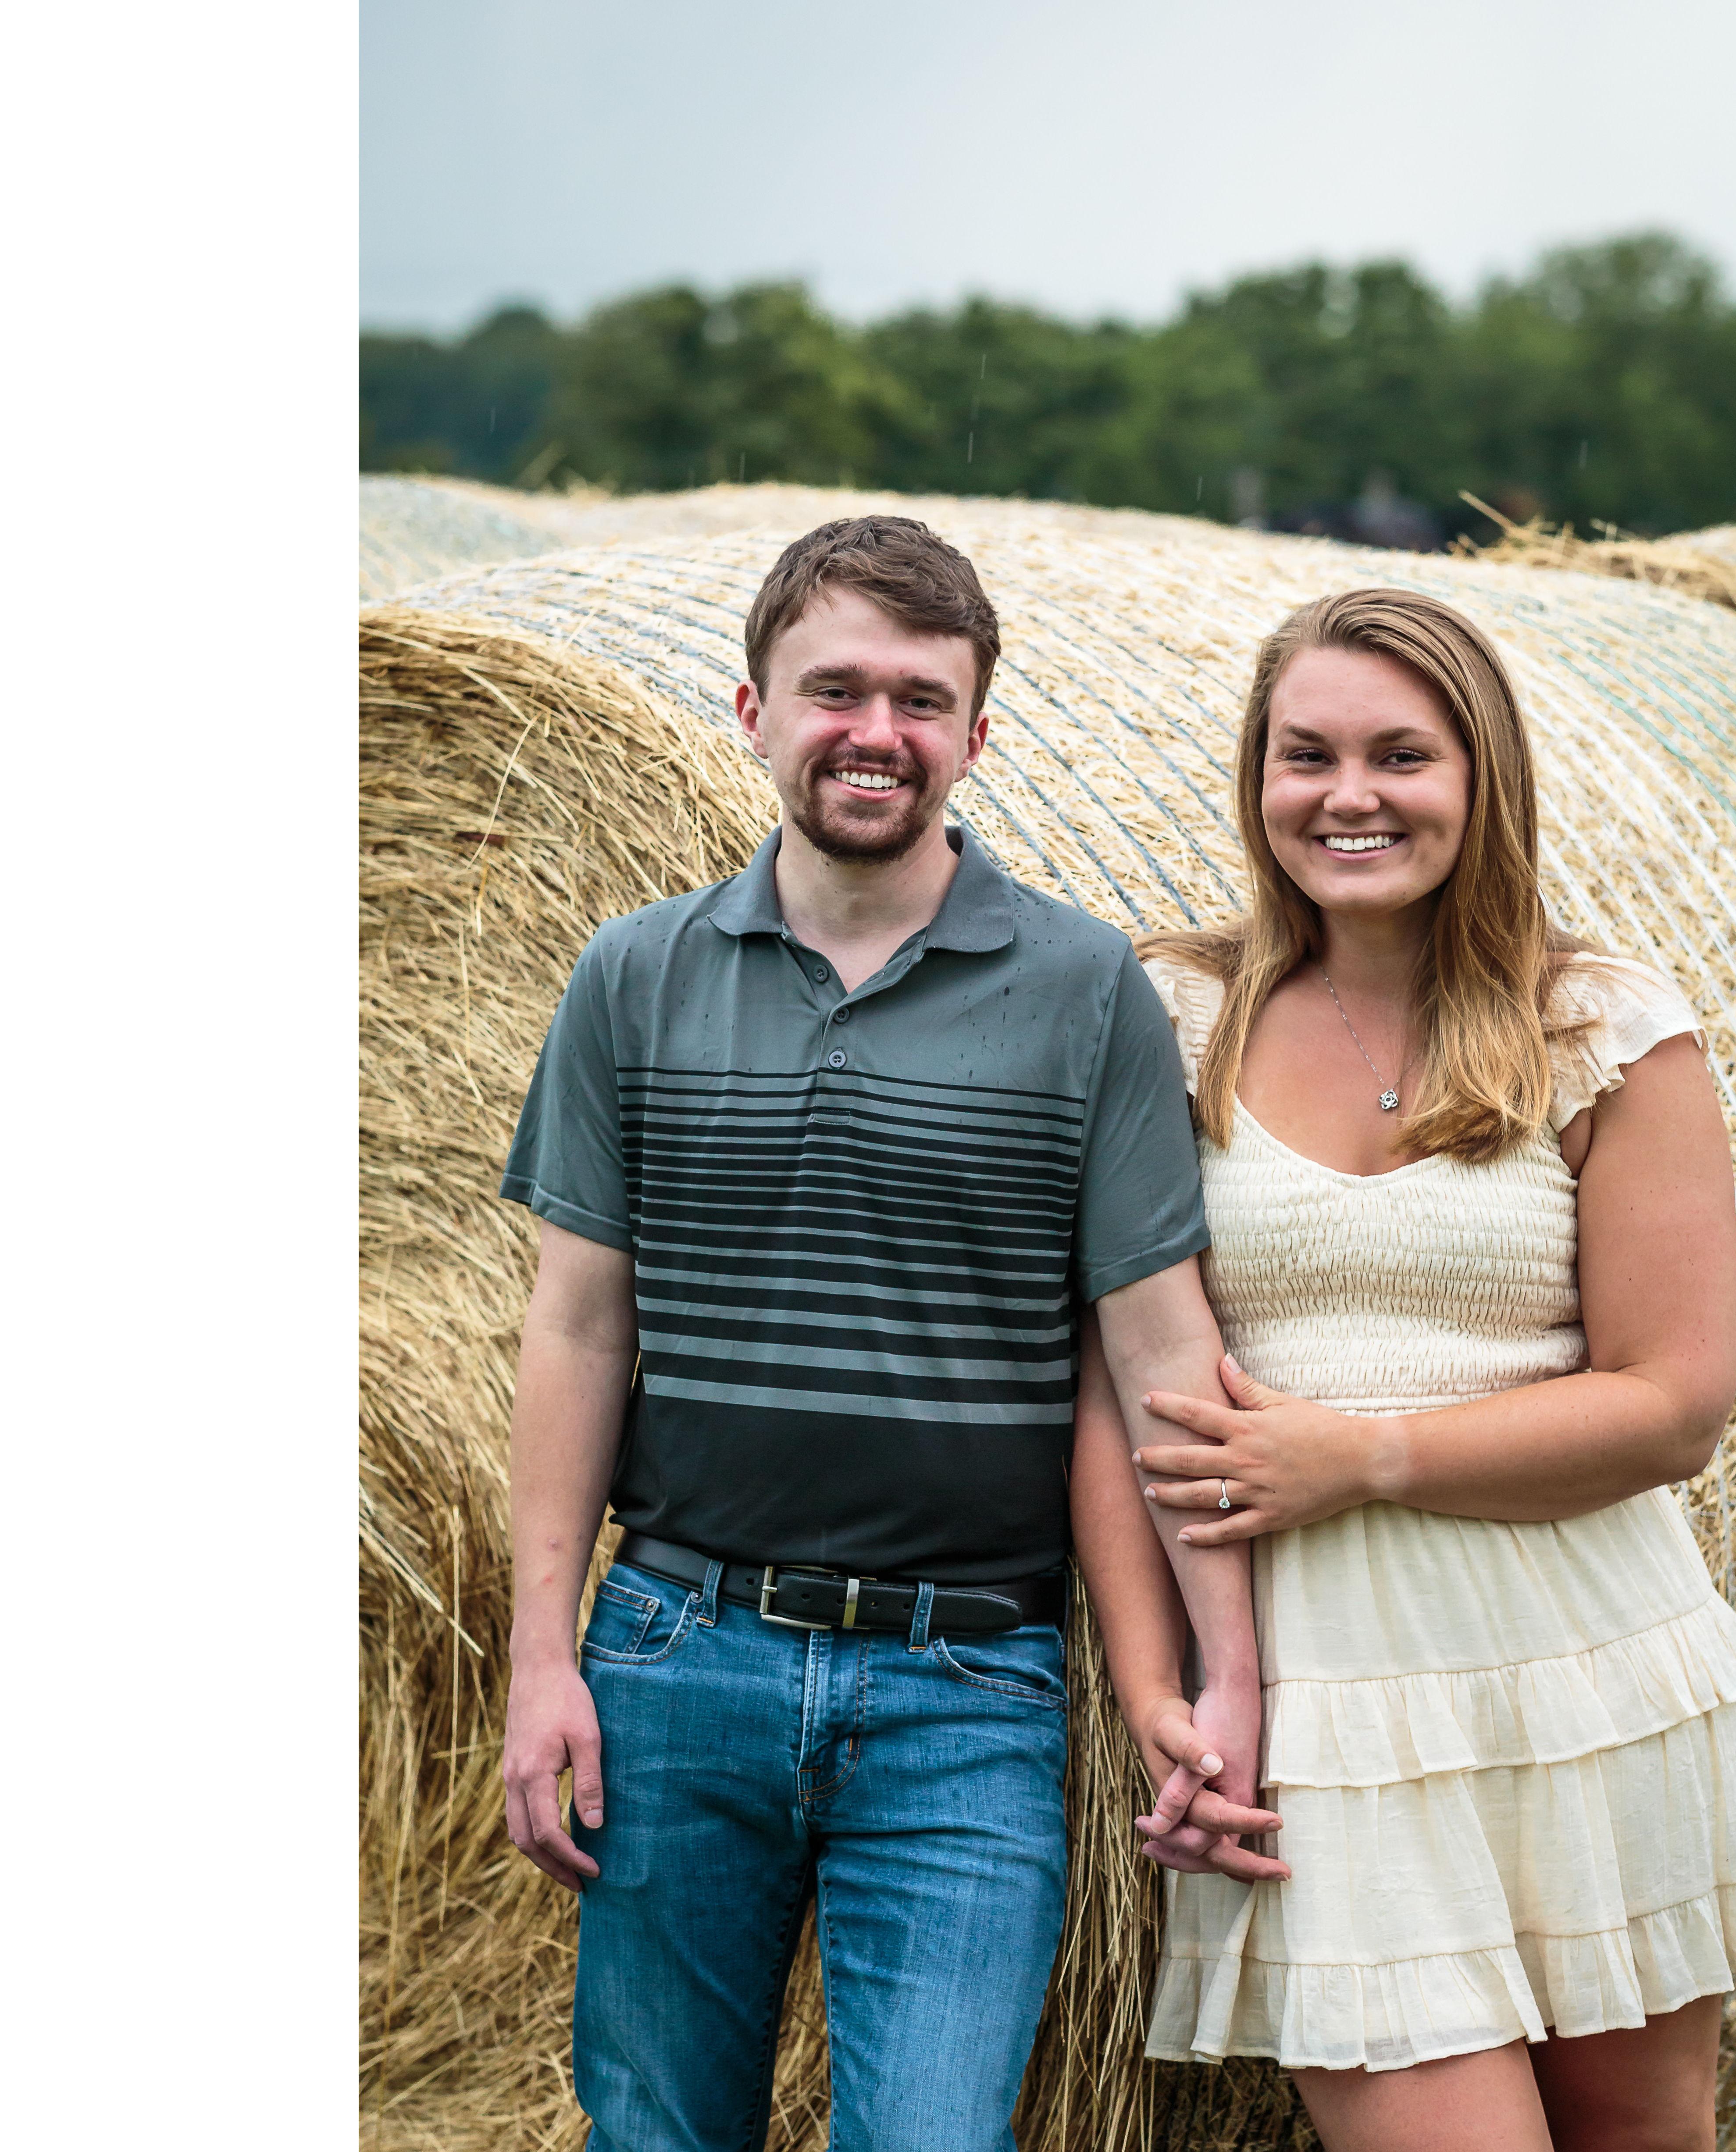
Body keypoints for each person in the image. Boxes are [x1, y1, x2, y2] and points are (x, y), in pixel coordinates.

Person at [494, 514, 1283, 2152]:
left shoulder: (1085, 990)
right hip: (674, 1655)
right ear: (753, 712)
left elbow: (1159, 1357)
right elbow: (575, 1327)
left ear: (976, 733)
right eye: (835, 689)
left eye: (922, 699)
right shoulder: (632, 976)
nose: (877, 731)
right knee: (656, 2132)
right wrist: (540, 1655)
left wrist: (1230, 1680)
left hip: (965, 1690)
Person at [1078, 587, 1736, 2150]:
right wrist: (1152, 1686)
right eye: (1306, 754)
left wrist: (1368, 1455)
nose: (1348, 795)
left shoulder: (1597, 1029)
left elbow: (1674, 1401)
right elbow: (1117, 1393)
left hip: (1593, 1673)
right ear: (1258, 777)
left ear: (1482, 777)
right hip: (1329, 1705)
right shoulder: (1172, 1016)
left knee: (1643, 2141)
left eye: (1401, 755)